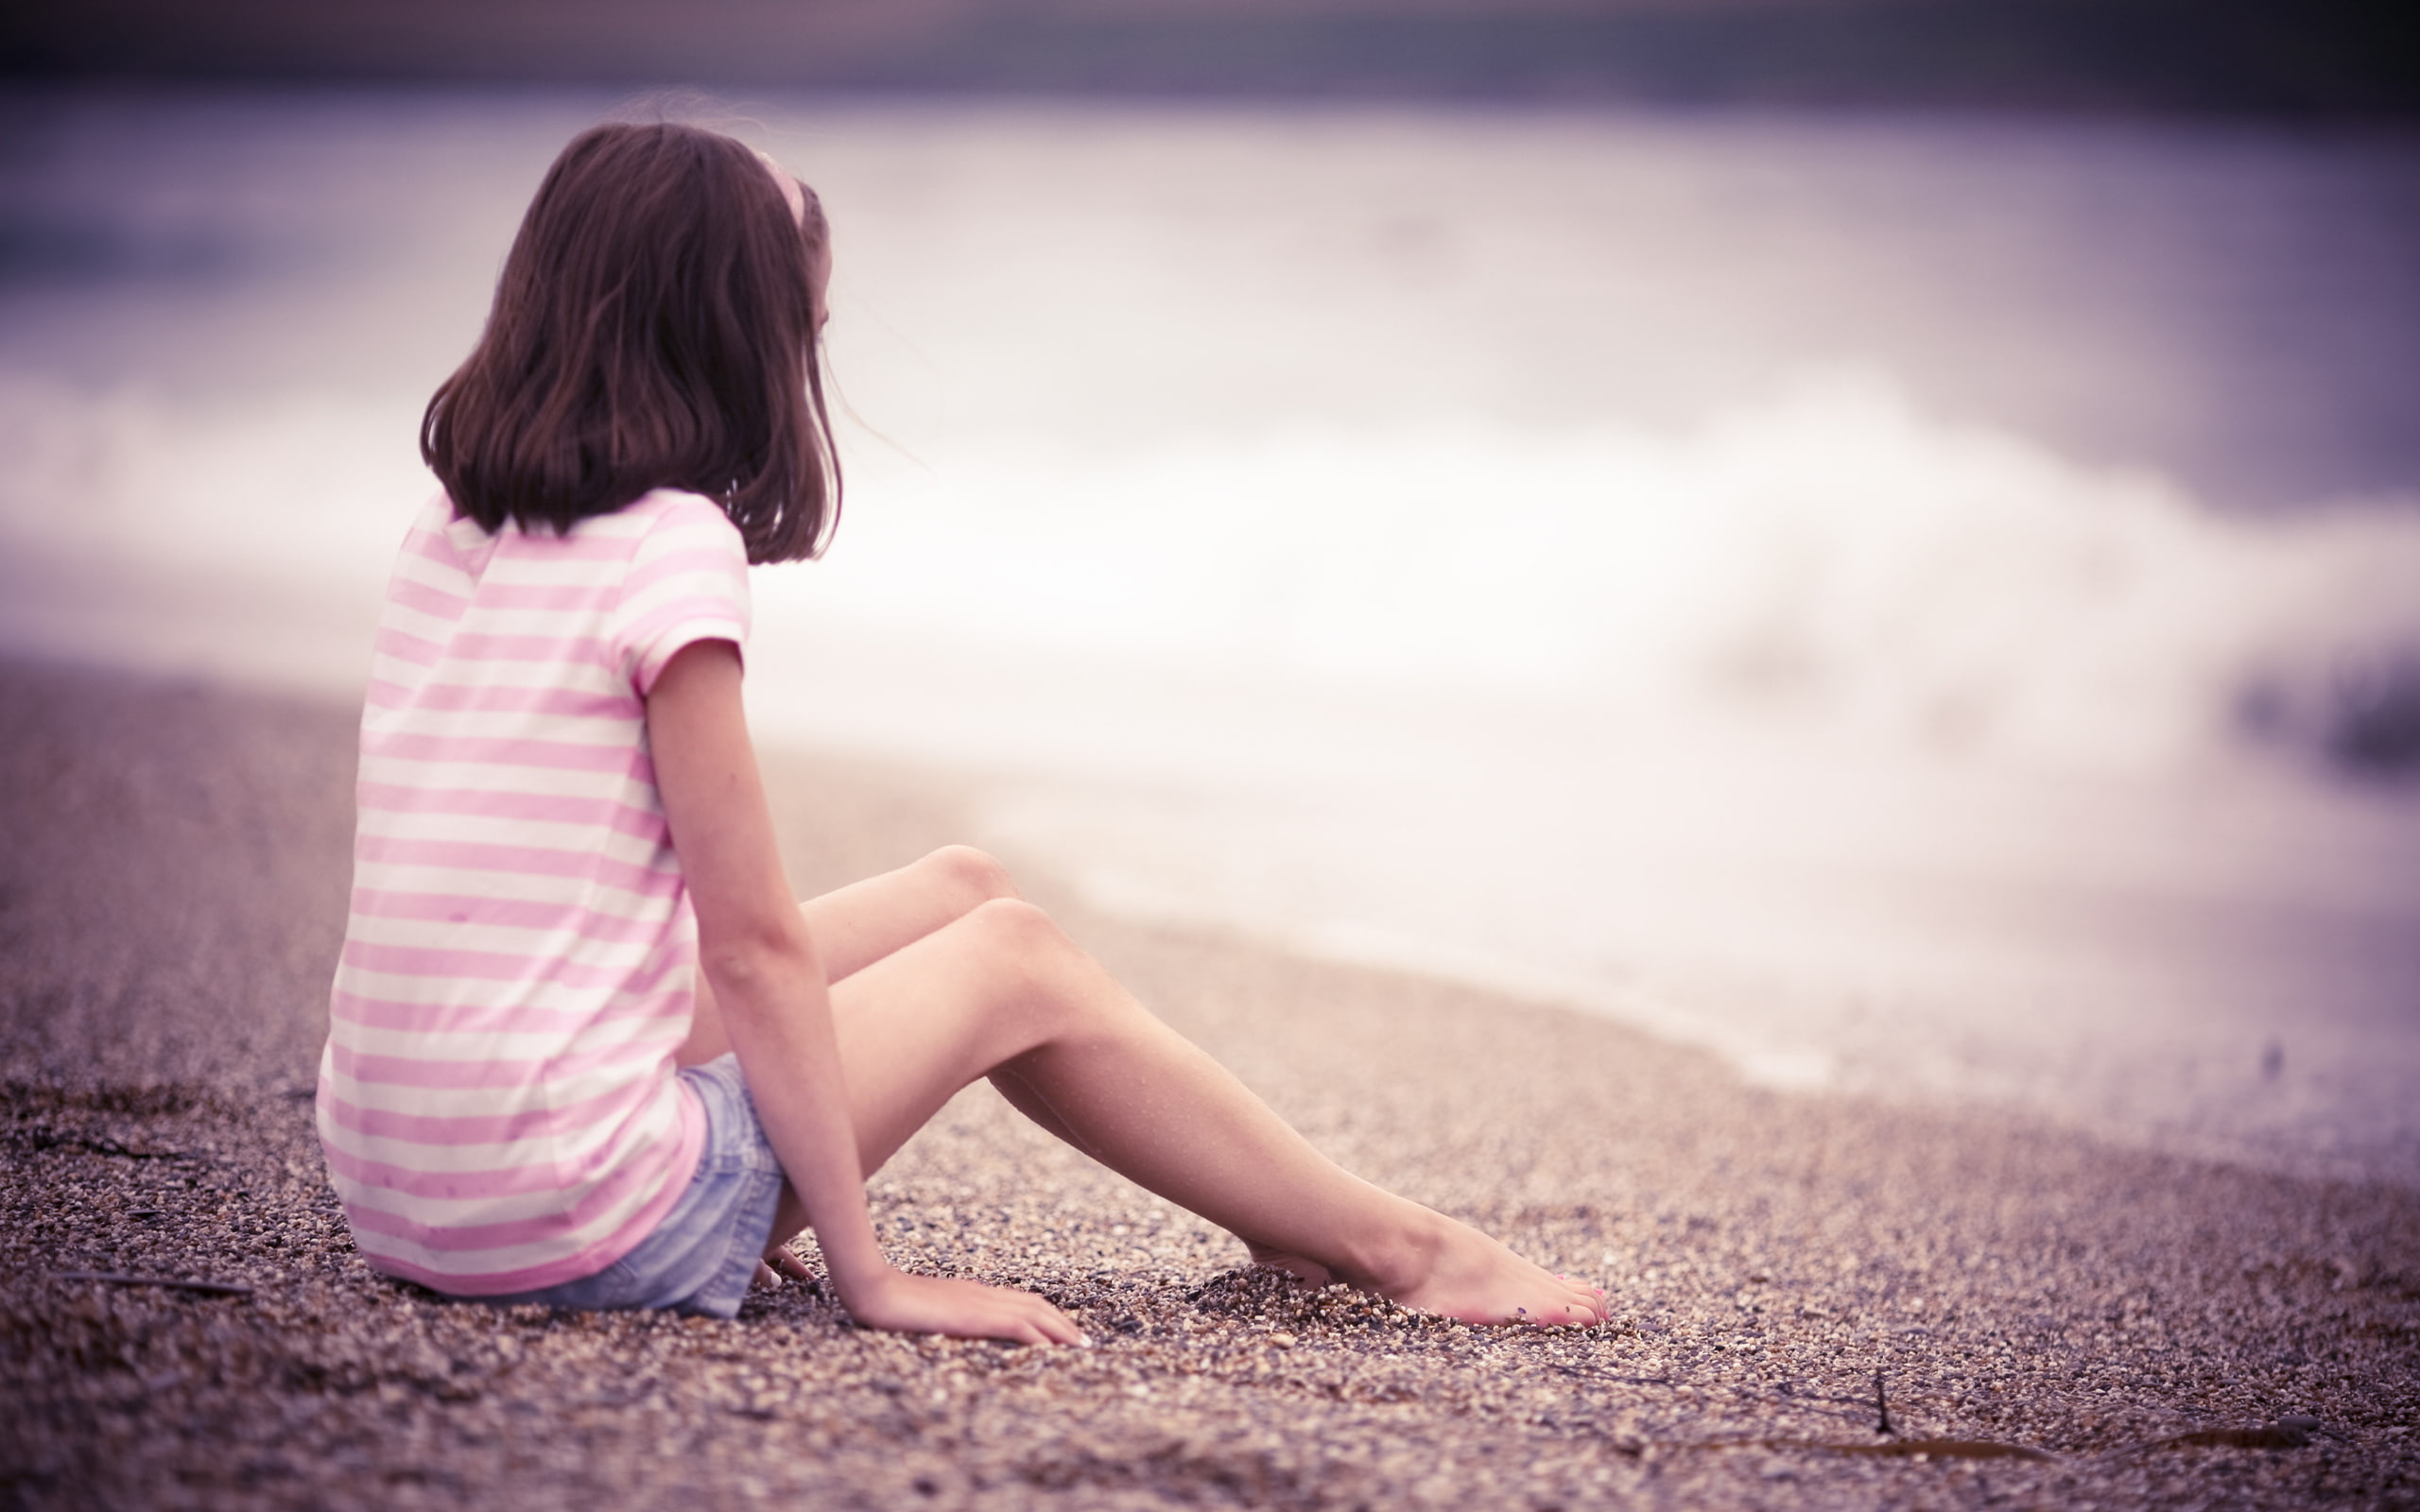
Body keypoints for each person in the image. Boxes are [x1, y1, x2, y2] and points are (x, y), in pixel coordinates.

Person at [316, 120, 1609, 1344]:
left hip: (403, 1192)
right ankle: (1402, 1248)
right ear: (738, 343)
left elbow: (525, 914)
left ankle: (1290, 1227)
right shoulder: (673, 550)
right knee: (1015, 960)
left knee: (962, 890)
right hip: (576, 1222)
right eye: (803, 330)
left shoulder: (450, 527)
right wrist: (865, 1269)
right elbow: (755, 949)